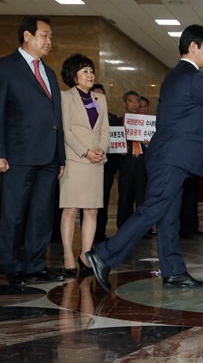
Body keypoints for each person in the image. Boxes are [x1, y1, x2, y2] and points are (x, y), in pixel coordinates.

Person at [86, 24, 203, 292]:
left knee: (168, 216)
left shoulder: (175, 76)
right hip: (171, 157)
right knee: (152, 209)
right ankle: (104, 255)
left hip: (168, 155)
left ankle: (174, 271)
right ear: (193, 47)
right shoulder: (193, 77)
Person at [0, 16, 66, 284]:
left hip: (49, 156)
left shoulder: (49, 72)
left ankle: (35, 265)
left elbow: (55, 117)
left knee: (42, 213)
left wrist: (60, 156)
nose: (49, 41)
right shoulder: (6, 67)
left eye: (50, 37)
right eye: (44, 35)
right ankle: (10, 265)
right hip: (17, 155)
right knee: (13, 213)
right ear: (27, 36)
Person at [59, 54, 110, 277]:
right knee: (70, 209)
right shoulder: (65, 97)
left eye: (91, 70)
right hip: (75, 159)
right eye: (85, 71)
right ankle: (68, 255)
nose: (90, 75)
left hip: (96, 161)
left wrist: (100, 150)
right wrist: (85, 151)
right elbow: (66, 130)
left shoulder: (101, 99)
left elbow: (105, 130)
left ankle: (86, 255)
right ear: (73, 76)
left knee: (91, 210)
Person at [92, 83, 121, 241]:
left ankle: (100, 232)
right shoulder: (83, 117)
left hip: (107, 167)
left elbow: (117, 143)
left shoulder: (113, 118)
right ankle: (87, 232)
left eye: (100, 96)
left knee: (103, 200)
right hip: (88, 165)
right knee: (88, 202)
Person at [116, 91, 147, 230]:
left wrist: (147, 144)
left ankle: (142, 229)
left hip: (142, 164)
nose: (134, 104)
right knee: (125, 199)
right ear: (125, 103)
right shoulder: (118, 122)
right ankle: (123, 228)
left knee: (142, 199)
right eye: (130, 101)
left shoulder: (147, 124)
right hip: (126, 165)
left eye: (137, 101)